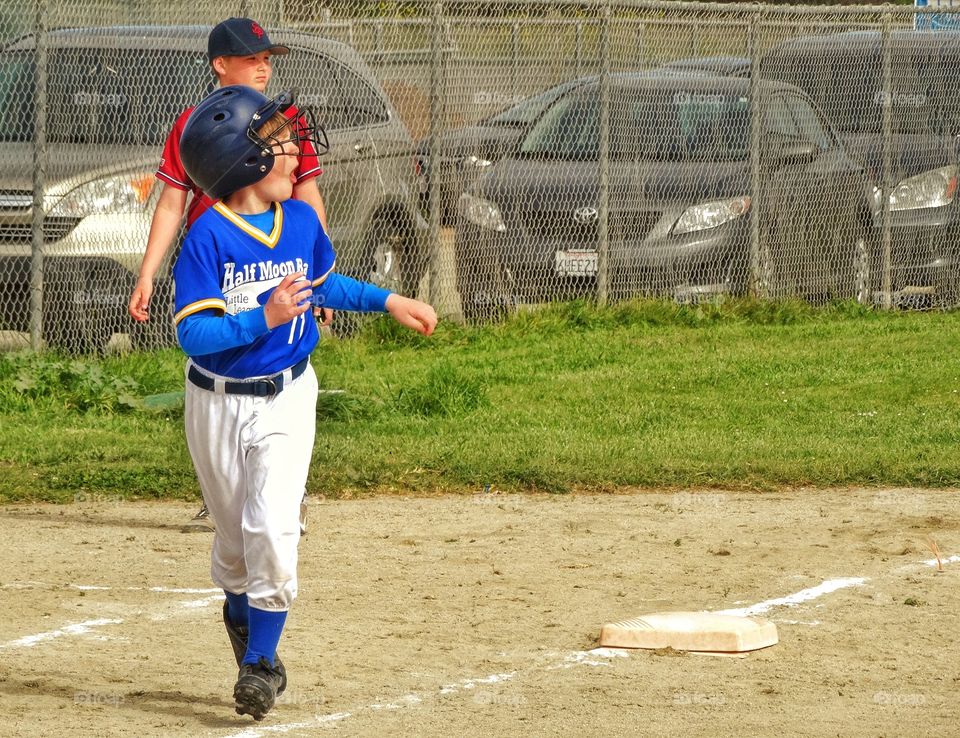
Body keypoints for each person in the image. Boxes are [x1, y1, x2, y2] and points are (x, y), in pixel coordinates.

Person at [174, 84, 436, 720]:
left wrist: (387, 300)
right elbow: (194, 333)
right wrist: (261, 316)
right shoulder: (208, 237)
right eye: (277, 142)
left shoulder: (300, 221)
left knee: (273, 525)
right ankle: (244, 620)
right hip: (216, 403)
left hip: (287, 395)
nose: (293, 152)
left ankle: (263, 663)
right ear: (241, 160)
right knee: (235, 547)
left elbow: (326, 283)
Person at [127, 17, 330, 533]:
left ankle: (284, 494)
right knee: (217, 366)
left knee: (283, 369)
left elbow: (306, 194)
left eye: (268, 58)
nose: (263, 66)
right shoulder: (193, 125)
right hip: (218, 266)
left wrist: (321, 274)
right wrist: (148, 271)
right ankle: (226, 494)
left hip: (278, 261)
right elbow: (173, 201)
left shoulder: (282, 124)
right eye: (251, 57)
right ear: (220, 64)